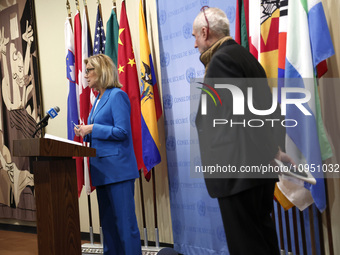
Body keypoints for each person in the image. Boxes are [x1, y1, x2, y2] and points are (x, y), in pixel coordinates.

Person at [193, 7, 294, 255]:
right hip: (255, 172)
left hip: (237, 175)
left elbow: (236, 120)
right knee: (263, 241)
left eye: (195, 36)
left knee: (246, 247)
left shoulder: (221, 61)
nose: (195, 44)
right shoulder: (245, 57)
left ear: (205, 32)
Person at [74, 54, 141, 255]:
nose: (85, 75)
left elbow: (122, 131)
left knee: (125, 227)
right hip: (102, 171)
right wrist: (86, 131)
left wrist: (93, 128)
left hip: (119, 172)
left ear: (101, 71)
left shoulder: (117, 95)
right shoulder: (99, 98)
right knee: (109, 227)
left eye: (89, 70)